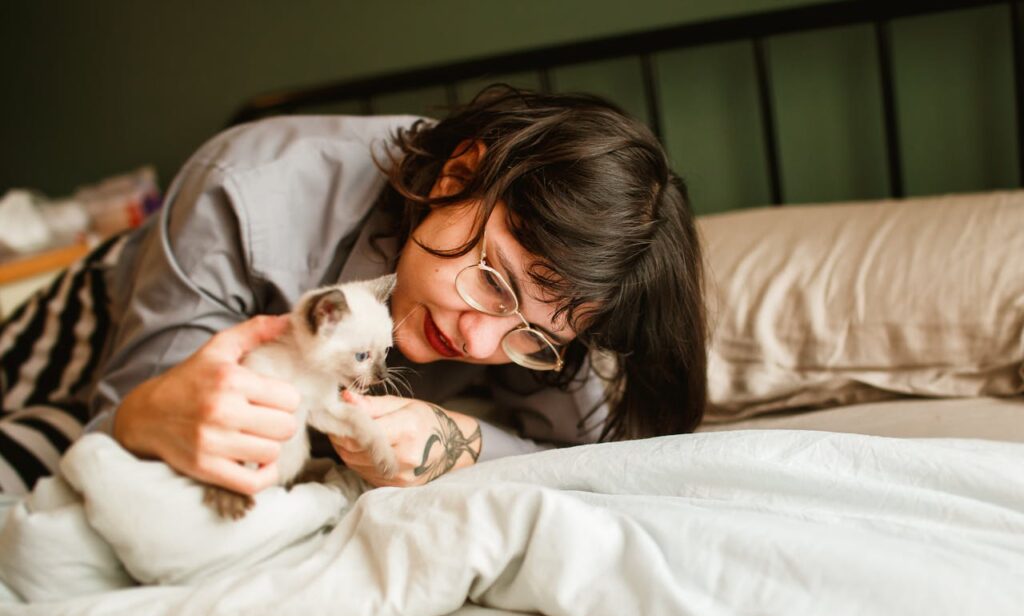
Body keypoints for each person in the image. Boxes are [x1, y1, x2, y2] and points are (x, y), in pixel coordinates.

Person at [0, 85, 707, 496]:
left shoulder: (551, 308)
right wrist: (140, 417)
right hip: (90, 328)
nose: (478, 340)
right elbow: (129, 420)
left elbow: (588, 465)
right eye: (491, 281)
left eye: (533, 339)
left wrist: (462, 440)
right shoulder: (246, 193)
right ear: (456, 176)